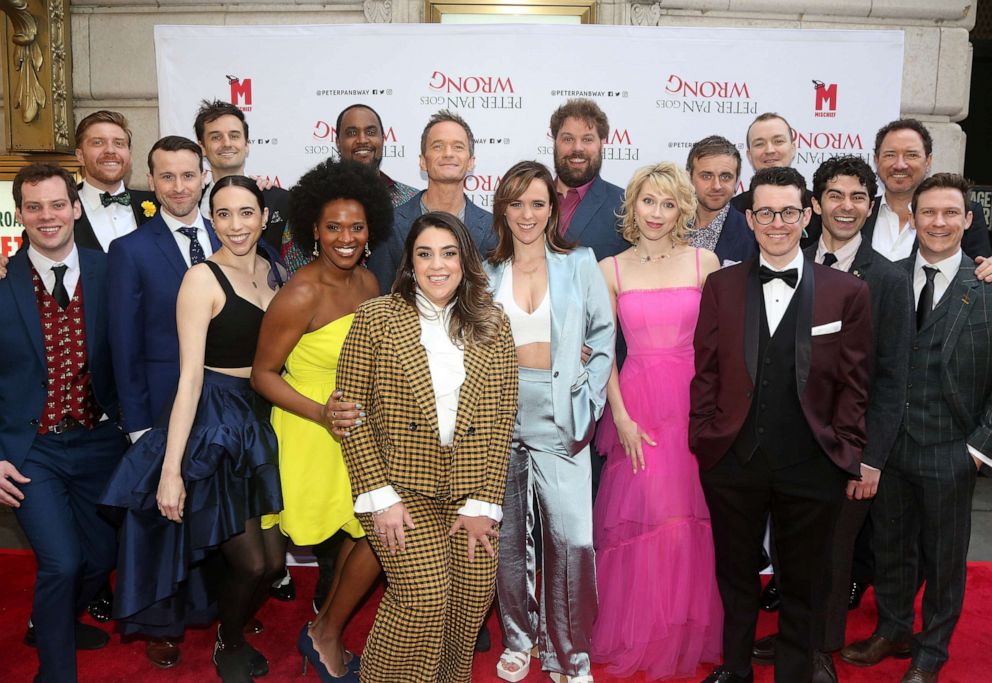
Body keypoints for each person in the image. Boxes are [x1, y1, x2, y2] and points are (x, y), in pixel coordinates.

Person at [690, 166, 873, 683]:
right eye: (766, 212)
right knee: (736, 574)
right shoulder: (721, 286)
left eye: (788, 211)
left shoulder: (847, 292)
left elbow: (855, 383)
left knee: (803, 578)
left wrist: (846, 448)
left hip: (814, 462)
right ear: (749, 218)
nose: (777, 222)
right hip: (732, 460)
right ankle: (737, 667)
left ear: (807, 213)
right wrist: (704, 437)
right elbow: (705, 370)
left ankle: (796, 670)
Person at [100, 175, 285, 683]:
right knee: (252, 563)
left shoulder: (276, 272)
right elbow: (188, 379)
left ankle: (232, 628)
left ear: (264, 217)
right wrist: (171, 470)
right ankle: (228, 642)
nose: (235, 225)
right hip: (217, 422)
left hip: (263, 419)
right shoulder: (202, 279)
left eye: (246, 212)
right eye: (222, 214)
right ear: (211, 220)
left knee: (271, 565)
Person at [750, 156, 913, 682]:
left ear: (871, 206)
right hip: (782, 442)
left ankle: (819, 648)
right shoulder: (781, 256)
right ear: (815, 204)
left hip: (844, 445)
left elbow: (890, 378)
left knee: (832, 553)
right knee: (792, 548)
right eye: (836, 196)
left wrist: (870, 459)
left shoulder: (887, 280)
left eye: (859, 197)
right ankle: (797, 633)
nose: (847, 207)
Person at [336, 211, 517, 682]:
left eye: (448, 253)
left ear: (465, 260)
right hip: (398, 489)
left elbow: (501, 420)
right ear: (409, 263)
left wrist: (484, 502)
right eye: (424, 254)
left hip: (470, 492)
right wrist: (380, 497)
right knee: (423, 596)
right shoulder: (377, 318)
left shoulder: (493, 322)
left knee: (472, 595)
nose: (437, 265)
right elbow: (350, 416)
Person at [841, 173, 992, 683]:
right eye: (929, 213)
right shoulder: (884, 279)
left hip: (953, 448)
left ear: (967, 221)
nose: (939, 222)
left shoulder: (987, 286)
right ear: (913, 219)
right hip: (890, 444)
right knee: (891, 547)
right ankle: (895, 629)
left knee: (946, 558)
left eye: (951, 213)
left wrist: (978, 448)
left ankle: (931, 652)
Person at [250, 158, 393, 681]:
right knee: (372, 535)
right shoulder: (301, 292)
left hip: (358, 430)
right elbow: (262, 375)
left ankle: (323, 630)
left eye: (356, 227)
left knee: (374, 535)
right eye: (334, 226)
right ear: (314, 228)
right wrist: (320, 414)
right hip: (312, 431)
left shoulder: (370, 280)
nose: (346, 237)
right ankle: (325, 632)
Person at [592, 162, 722, 680]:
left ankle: (685, 631)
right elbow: (602, 353)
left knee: (687, 521)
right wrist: (619, 416)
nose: (657, 213)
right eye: (649, 201)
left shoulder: (704, 262)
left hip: (693, 406)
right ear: (633, 204)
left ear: (682, 210)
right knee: (646, 522)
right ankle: (642, 632)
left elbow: (718, 347)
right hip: (638, 409)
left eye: (669, 204)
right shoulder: (611, 269)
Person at [487, 161, 615, 683]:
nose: (526, 214)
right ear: (503, 208)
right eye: (516, 203)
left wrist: (586, 401)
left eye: (537, 203)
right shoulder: (485, 269)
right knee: (509, 538)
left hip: (561, 413)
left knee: (573, 539)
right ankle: (519, 637)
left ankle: (570, 653)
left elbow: (603, 337)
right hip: (499, 413)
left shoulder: (579, 261)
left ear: (553, 207)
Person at [0, 163, 129, 683]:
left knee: (102, 556)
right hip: (32, 450)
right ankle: (55, 673)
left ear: (75, 208)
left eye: (57, 204)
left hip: (101, 440)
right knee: (61, 562)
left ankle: (50, 619)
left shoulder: (111, 271)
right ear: (21, 214)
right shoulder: (3, 285)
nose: (47, 217)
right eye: (35, 207)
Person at [105, 135, 222, 668]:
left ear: (203, 176)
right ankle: (158, 621)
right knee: (157, 518)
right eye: (166, 176)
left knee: (206, 509)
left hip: (218, 404)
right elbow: (122, 344)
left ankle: (208, 606)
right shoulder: (130, 250)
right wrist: (135, 426)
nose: (179, 186)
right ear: (151, 183)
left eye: (187, 174)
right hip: (157, 404)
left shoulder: (230, 236)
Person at [366, 110, 495, 294]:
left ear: (471, 162)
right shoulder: (389, 226)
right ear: (423, 162)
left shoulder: (493, 228)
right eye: (438, 146)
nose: (448, 154)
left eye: (458, 147)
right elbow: (380, 298)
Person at [282, 103, 418, 273]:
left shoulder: (411, 199)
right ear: (338, 143)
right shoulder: (311, 203)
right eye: (351, 133)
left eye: (370, 132)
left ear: (383, 139)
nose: (362, 140)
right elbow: (294, 268)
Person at [866, 118, 991, 262]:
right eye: (890, 155)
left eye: (911, 155)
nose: (899, 165)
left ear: (928, 161)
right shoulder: (861, 213)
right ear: (876, 160)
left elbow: (980, 271)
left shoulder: (965, 214)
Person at [194, 100, 289, 253]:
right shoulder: (192, 203)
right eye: (216, 137)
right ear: (202, 148)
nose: (226, 143)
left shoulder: (278, 200)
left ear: (246, 145)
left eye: (234, 136)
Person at [549, 99, 627, 260]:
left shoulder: (624, 205)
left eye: (587, 139)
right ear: (555, 142)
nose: (577, 148)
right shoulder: (530, 201)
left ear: (602, 143)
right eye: (568, 139)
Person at [71, 110, 158, 252]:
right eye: (98, 142)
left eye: (119, 143)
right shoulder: (60, 208)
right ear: (80, 156)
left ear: (129, 155)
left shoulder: (158, 205)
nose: (110, 150)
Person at [685, 135, 757, 266]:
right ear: (689, 178)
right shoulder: (667, 226)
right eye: (706, 176)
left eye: (725, 177)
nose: (716, 186)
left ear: (736, 182)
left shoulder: (753, 235)